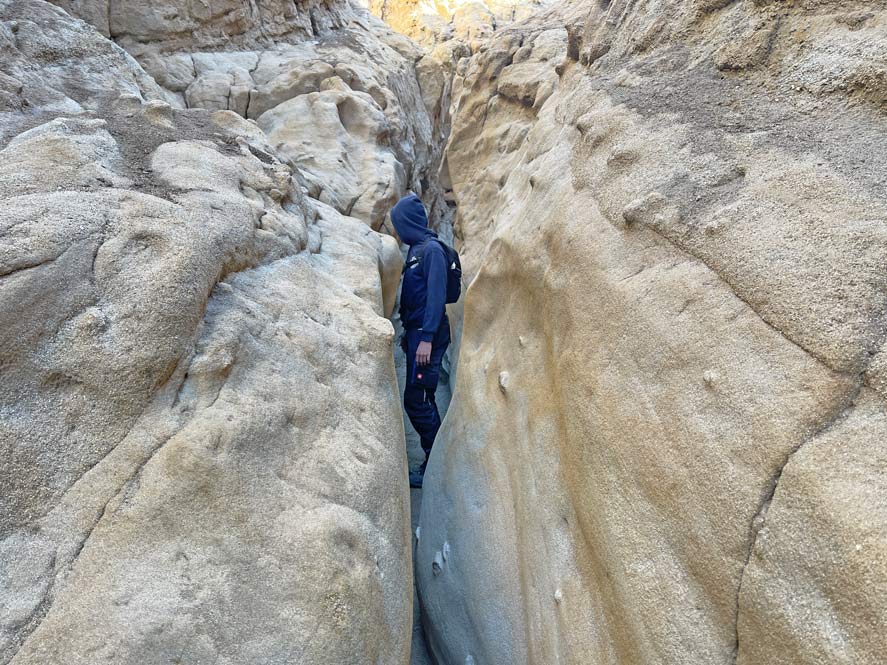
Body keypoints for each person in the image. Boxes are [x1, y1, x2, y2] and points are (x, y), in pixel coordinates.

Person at [390, 193, 451, 488]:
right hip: (417, 335)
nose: (396, 230)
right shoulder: (416, 249)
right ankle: (435, 459)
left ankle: (436, 465)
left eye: (398, 224)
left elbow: (437, 297)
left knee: (418, 400)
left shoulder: (432, 251)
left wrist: (425, 338)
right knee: (420, 398)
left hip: (429, 336)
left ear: (409, 223)